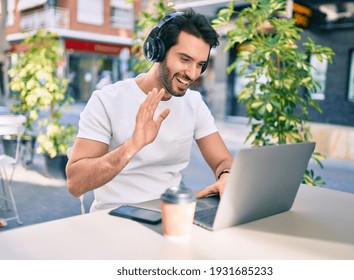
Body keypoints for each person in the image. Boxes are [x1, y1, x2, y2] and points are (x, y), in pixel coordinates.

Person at [66, 8, 233, 211]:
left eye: (200, 65)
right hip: (115, 218)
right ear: (157, 51)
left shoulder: (194, 103)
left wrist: (226, 176)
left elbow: (223, 160)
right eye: (185, 59)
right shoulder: (107, 100)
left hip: (170, 214)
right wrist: (132, 146)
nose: (192, 73)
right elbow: (75, 184)